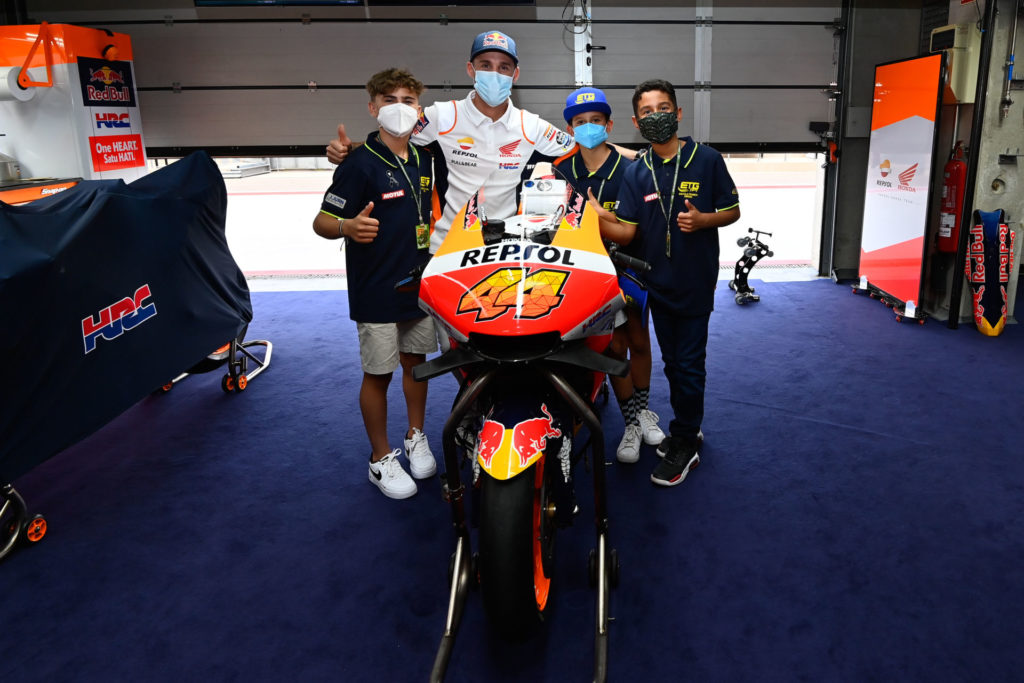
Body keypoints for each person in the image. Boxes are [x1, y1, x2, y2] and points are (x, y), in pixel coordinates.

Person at [590, 78, 740, 487]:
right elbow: (628, 230)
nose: (655, 116)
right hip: (654, 281)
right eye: (646, 111)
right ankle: (686, 425)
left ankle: (686, 441)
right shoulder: (637, 171)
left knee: (686, 363)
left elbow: (732, 210)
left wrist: (705, 220)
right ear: (636, 123)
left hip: (693, 279)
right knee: (673, 362)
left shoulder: (706, 159)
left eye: (662, 107)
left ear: (677, 113)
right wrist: (596, 217)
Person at [326, 30, 579, 253]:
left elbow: (586, 150)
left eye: (504, 67)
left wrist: (619, 153)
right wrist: (349, 149)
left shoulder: (532, 126)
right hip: (446, 245)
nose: (495, 73)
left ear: (515, 74)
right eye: (485, 65)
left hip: (505, 246)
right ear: (471, 69)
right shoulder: (440, 116)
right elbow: (395, 136)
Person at [313, 67, 438, 500]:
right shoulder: (359, 163)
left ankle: (415, 436)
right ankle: (380, 457)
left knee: (416, 363)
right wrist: (347, 226)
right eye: (389, 101)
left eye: (407, 100)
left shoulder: (424, 159)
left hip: (416, 283)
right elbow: (322, 221)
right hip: (375, 287)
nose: (399, 108)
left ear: (418, 109)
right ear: (373, 108)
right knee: (379, 373)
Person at [553, 86, 665, 464]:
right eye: (580, 122)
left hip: (629, 268)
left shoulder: (631, 168)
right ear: (570, 128)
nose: (588, 128)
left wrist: (601, 216)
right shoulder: (560, 171)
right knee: (613, 347)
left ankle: (645, 409)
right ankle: (630, 422)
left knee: (638, 342)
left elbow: (638, 225)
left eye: (596, 121)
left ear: (609, 124)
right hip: (582, 274)